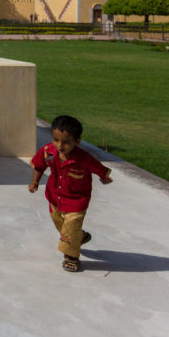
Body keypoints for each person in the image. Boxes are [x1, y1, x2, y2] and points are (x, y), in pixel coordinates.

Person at [28, 115, 112, 272]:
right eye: (56, 139)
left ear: (77, 141)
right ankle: (78, 237)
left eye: (66, 142)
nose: (60, 145)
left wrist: (105, 177)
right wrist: (35, 182)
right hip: (54, 199)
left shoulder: (84, 159)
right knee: (61, 226)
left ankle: (71, 257)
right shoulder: (48, 152)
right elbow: (39, 166)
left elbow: (99, 169)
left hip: (76, 201)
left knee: (71, 226)